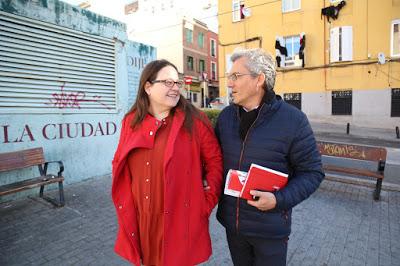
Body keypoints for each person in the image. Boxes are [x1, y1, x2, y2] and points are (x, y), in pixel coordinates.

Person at [215, 48, 325, 265]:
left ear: (259, 80)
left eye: (236, 76)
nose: (229, 84)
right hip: (233, 227)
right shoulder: (226, 117)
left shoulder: (293, 120)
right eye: (229, 77)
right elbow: (213, 163)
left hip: (270, 229)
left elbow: (312, 173)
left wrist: (278, 200)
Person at [111, 59, 223, 266]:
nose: (175, 89)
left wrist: (205, 203)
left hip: (181, 217)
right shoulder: (131, 121)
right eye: (168, 83)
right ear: (148, 87)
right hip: (143, 218)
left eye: (177, 83)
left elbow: (215, 161)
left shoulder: (195, 120)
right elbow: (119, 160)